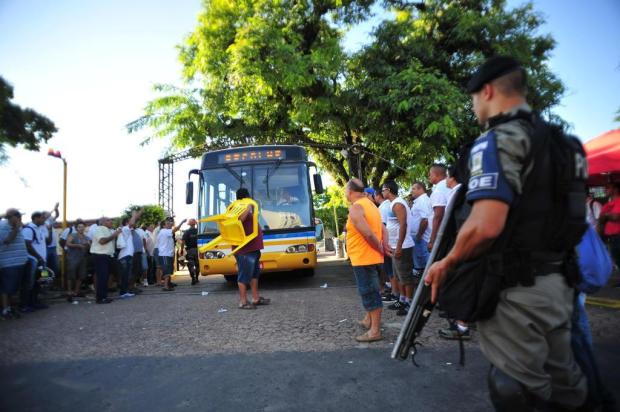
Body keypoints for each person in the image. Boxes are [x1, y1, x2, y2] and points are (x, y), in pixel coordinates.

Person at [425, 56, 587, 410]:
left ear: (487, 91)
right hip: (560, 283)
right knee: (566, 387)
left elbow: (486, 225)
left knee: (517, 390)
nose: (473, 108)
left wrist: (448, 262)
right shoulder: (565, 144)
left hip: (517, 292)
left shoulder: (497, 141)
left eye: (472, 100)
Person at [345, 178, 390, 342]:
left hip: (364, 258)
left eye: (345, 190)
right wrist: (384, 245)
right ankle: (368, 320)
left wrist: (380, 248)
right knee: (372, 290)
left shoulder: (356, 208)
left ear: (350, 192)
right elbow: (383, 228)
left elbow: (369, 234)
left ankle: (375, 331)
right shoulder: (371, 204)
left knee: (369, 292)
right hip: (370, 257)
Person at [382, 180, 415, 316]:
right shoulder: (392, 204)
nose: (382, 192)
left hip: (403, 246)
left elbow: (403, 225)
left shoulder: (398, 204)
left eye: (383, 189)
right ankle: (402, 299)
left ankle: (409, 303)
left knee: (405, 277)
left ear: (389, 190)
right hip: (395, 246)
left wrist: (400, 246)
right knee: (398, 276)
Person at [233, 188, 269, 309]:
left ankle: (255, 298)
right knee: (244, 276)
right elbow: (237, 222)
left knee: (254, 275)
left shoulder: (244, 208)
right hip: (244, 250)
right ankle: (243, 302)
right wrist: (247, 208)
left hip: (253, 248)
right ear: (246, 197)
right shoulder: (236, 208)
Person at [0, 209, 28, 319]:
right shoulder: (2, 226)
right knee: (6, 288)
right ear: (10, 217)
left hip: (19, 262)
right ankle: (5, 310)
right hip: (8, 263)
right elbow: (7, 241)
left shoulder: (18, 225)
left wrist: (18, 226)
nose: (20, 219)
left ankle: (10, 308)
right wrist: (16, 228)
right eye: (18, 216)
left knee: (13, 288)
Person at [22, 211, 52, 310]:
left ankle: (35, 302)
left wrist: (50, 230)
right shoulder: (29, 229)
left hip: (42, 260)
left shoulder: (41, 229)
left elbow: (48, 242)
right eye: (42, 218)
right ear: (35, 218)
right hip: (33, 261)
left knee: (40, 281)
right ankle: (25, 305)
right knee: (29, 283)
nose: (44, 220)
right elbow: (27, 245)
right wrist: (38, 257)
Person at [90, 217, 122, 304]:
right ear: (102, 222)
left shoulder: (108, 230)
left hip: (107, 256)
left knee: (106, 277)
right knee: (102, 277)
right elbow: (102, 241)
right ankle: (100, 298)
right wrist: (114, 235)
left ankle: (104, 296)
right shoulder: (100, 229)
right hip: (100, 256)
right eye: (108, 220)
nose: (111, 221)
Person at [373, 188, 396, 302]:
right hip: (389, 241)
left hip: (388, 241)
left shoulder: (383, 207)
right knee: (390, 269)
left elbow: (383, 226)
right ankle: (394, 292)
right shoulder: (387, 205)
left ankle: (394, 293)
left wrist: (382, 242)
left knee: (390, 269)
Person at [156, 217, 186, 291]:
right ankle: (166, 286)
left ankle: (168, 284)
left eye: (170, 223)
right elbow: (175, 229)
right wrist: (182, 222)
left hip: (167, 254)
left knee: (169, 270)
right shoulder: (164, 231)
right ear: (163, 225)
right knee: (167, 270)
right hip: (164, 255)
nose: (170, 224)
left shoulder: (166, 231)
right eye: (167, 223)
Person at [599, 182, 620, 283]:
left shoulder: (618, 202)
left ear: (615, 189)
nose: (605, 190)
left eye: (608, 187)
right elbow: (601, 219)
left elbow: (616, 217)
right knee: (616, 259)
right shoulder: (608, 204)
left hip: (618, 236)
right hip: (611, 237)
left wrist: (606, 215)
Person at [409, 181, 432, 275]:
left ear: (421, 189)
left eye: (414, 189)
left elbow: (425, 219)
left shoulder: (423, 200)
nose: (411, 191)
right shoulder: (419, 201)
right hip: (420, 236)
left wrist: (419, 234)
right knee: (422, 262)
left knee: (427, 263)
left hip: (423, 237)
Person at [427, 164, 451, 252]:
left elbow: (438, 216)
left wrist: (432, 241)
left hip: (442, 235)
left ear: (436, 175)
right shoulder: (449, 186)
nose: (428, 176)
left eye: (430, 174)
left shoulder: (439, 190)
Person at [65, 222, 91, 302]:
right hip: (72, 258)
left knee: (81, 275)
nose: (81, 228)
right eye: (80, 227)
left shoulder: (86, 237)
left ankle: (76, 292)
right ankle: (69, 292)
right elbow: (67, 244)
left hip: (82, 258)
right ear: (76, 228)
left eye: (83, 227)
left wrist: (88, 245)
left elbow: (89, 247)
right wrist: (78, 245)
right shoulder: (72, 235)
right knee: (71, 275)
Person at [181, 218, 199, 285]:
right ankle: (197, 278)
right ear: (195, 224)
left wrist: (181, 250)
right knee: (197, 265)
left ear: (189, 224)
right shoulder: (198, 231)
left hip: (190, 250)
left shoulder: (187, 232)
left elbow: (183, 242)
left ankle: (193, 278)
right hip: (198, 250)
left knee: (190, 265)